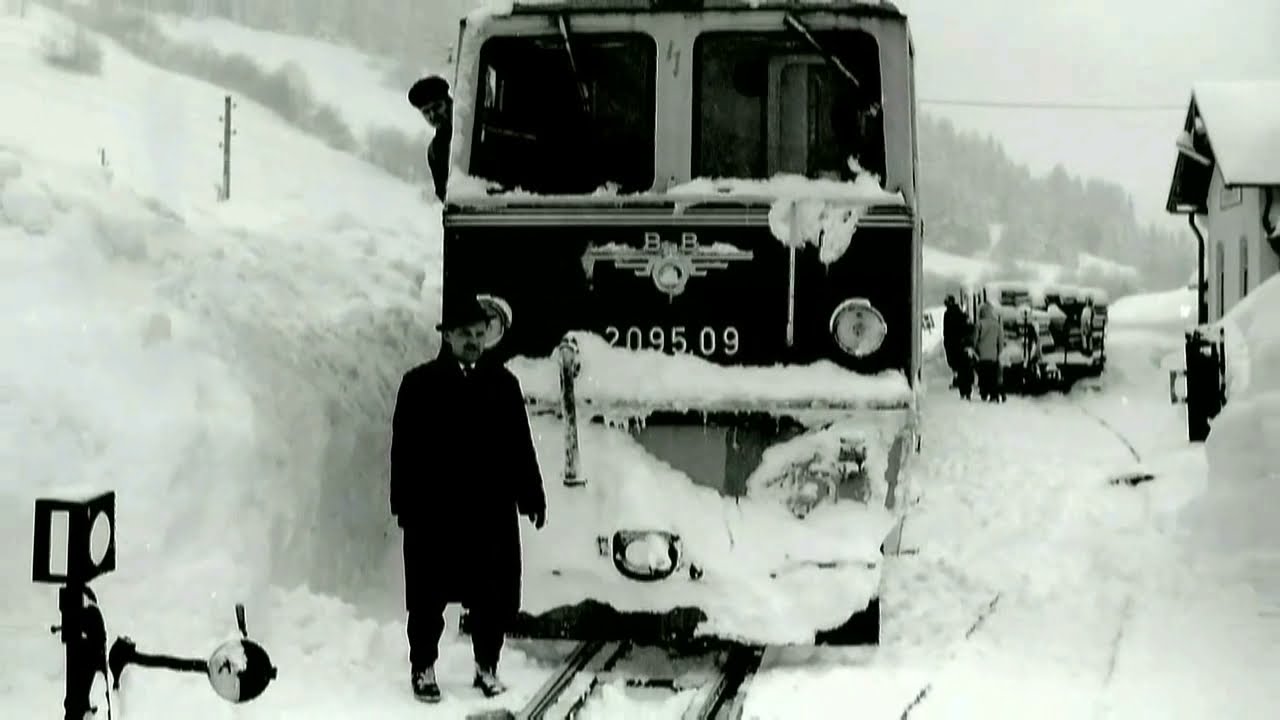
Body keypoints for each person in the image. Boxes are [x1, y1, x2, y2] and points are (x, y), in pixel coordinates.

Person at [389, 293, 548, 703]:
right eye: (464, 334)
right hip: (434, 511)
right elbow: (403, 449)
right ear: (447, 336)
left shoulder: (503, 385)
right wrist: (403, 503)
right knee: (427, 597)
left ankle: (487, 666)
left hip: (489, 510)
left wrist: (532, 496)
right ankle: (423, 668)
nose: (473, 341)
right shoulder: (419, 384)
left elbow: (519, 446)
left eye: (479, 334)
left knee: (491, 595)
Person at [407, 75, 453, 202]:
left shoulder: (476, 130)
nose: (432, 115)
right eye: (426, 112)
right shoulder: (435, 152)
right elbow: (445, 196)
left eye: (437, 107)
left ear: (449, 102)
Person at [972, 302, 1005, 402]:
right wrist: (999, 353)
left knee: (983, 375)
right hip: (993, 355)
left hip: (981, 355)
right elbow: (1000, 341)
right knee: (992, 376)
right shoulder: (997, 324)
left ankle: (984, 392)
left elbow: (974, 340)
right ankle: (993, 395)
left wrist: (975, 349)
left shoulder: (979, 324)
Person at [942, 295, 971, 389]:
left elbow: (946, 330)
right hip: (959, 342)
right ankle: (960, 380)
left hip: (951, 342)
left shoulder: (947, 314)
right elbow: (965, 327)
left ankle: (957, 380)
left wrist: (946, 341)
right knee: (959, 362)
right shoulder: (960, 313)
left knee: (953, 362)